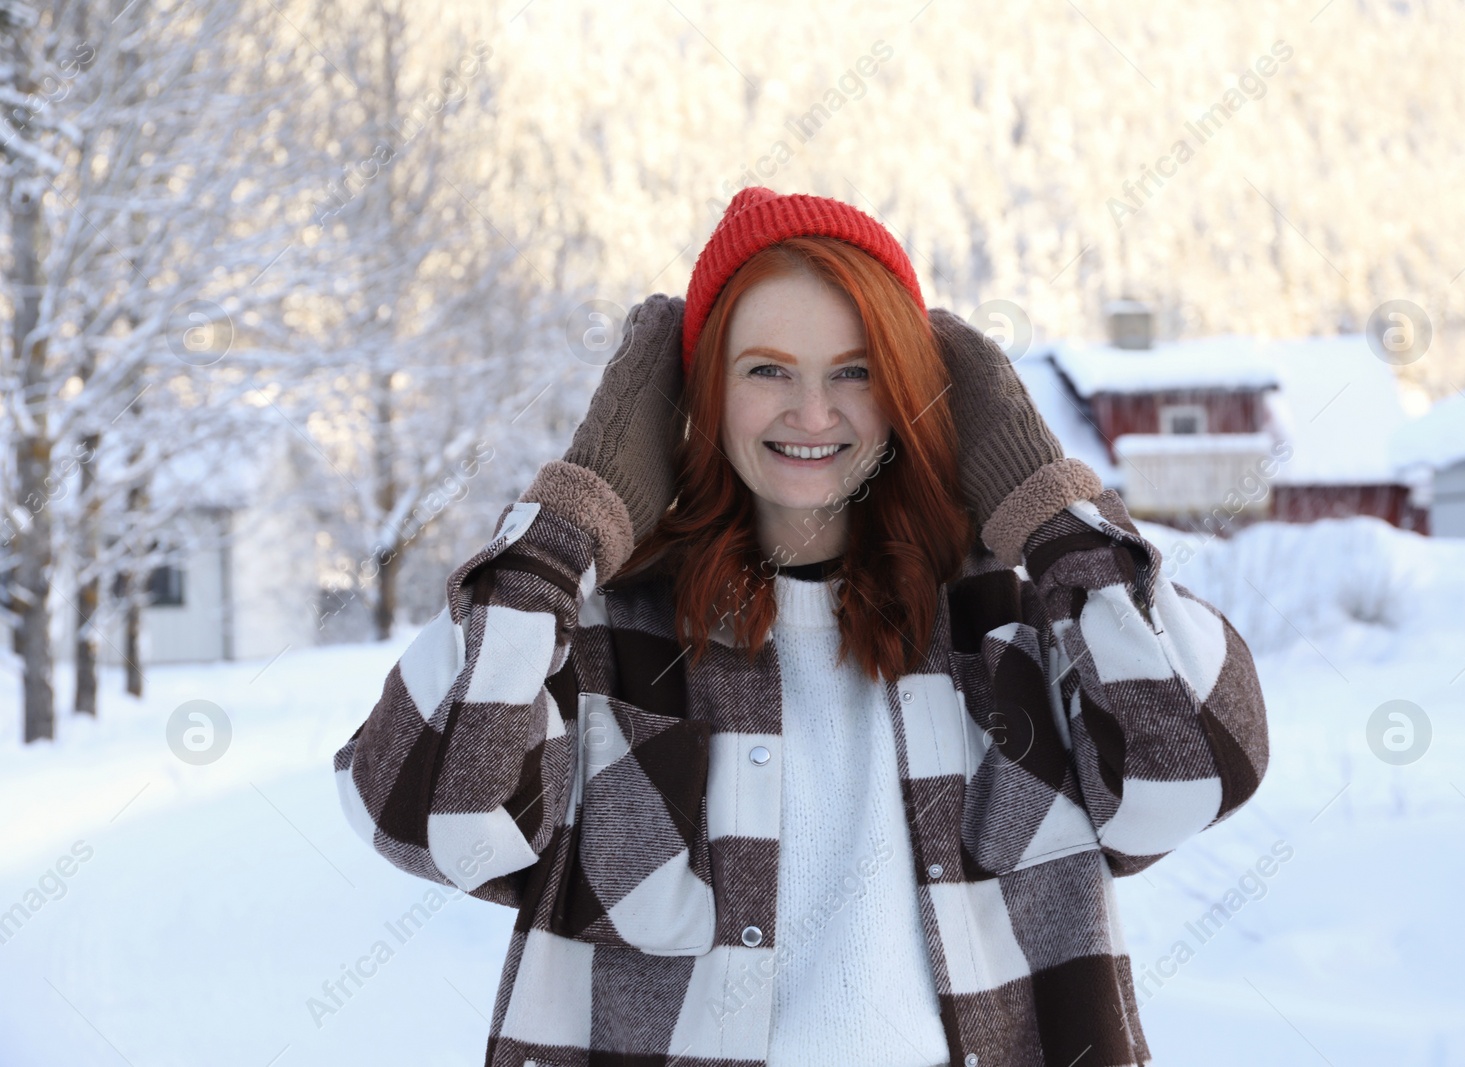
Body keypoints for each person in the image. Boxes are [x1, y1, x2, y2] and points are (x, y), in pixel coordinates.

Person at [334, 187, 1270, 1067]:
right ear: (704, 395)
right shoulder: (601, 641)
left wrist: (1049, 512)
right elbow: (430, 819)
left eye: (854, 372)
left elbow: (1190, 771)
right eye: (767, 369)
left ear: (905, 387)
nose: (812, 412)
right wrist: (573, 523)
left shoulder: (1012, 628)